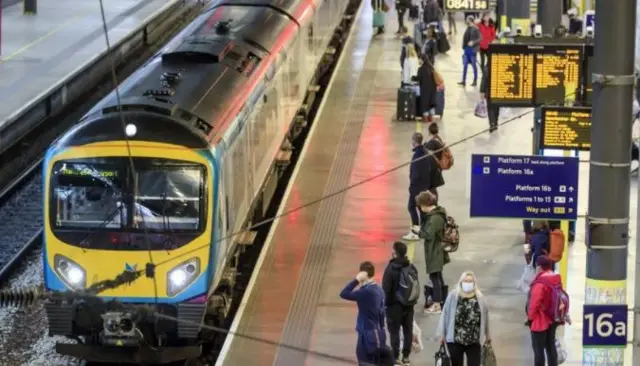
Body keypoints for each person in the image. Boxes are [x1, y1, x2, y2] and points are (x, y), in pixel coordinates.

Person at [340, 261, 390, 365]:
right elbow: (382, 314)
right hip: (376, 332)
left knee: (364, 361)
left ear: (363, 275)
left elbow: (344, 293)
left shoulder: (365, 292)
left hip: (365, 334)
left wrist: (356, 280)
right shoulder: (379, 290)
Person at [437, 271, 491, 366]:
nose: (468, 283)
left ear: (474, 283)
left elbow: (485, 317)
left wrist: (488, 335)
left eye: (470, 281)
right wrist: (442, 334)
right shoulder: (453, 297)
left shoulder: (481, 299)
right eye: (465, 281)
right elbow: (445, 315)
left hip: (474, 341)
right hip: (455, 341)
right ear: (461, 282)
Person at [382, 242, 420, 365]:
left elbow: (386, 289)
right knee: (407, 331)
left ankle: (395, 357)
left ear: (394, 253)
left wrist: (385, 305)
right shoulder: (411, 267)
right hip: (408, 305)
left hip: (394, 306)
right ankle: (406, 357)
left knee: (394, 332)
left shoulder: (391, 269)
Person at [416, 190, 447, 314]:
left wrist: (418, 232)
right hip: (435, 250)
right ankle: (442, 301)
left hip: (435, 251)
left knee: (435, 277)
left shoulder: (434, 218)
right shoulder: (436, 215)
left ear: (425, 204)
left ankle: (437, 304)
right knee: (437, 276)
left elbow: (429, 235)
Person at [527, 255, 562, 366]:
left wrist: (530, 318)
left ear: (539, 267)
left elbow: (534, 304)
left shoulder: (540, 283)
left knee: (539, 351)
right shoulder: (556, 279)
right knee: (551, 347)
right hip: (553, 319)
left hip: (540, 322)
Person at [402, 132, 433, 241]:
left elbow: (415, 174)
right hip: (424, 186)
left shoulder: (418, 155)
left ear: (414, 142)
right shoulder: (424, 151)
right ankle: (423, 228)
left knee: (411, 207)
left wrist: (412, 187)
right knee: (420, 208)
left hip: (417, 187)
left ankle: (415, 231)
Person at [459, 16, 481, 87]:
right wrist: (464, 46)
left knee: (474, 65)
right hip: (466, 50)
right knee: (465, 65)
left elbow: (480, 38)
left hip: (472, 50)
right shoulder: (467, 28)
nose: (466, 21)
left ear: (470, 20)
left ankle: (475, 80)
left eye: (467, 20)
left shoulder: (476, 29)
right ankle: (463, 81)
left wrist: (473, 42)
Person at [417, 55, 438, 122]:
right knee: (431, 102)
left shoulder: (421, 69)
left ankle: (425, 118)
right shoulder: (431, 67)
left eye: (420, 59)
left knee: (424, 102)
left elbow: (419, 79)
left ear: (422, 60)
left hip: (425, 88)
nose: (419, 61)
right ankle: (431, 117)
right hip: (433, 88)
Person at [479, 64, 499, 132]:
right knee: (496, 108)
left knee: (490, 108)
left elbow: (484, 79)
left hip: (489, 91)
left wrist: (482, 91)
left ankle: (491, 124)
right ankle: (495, 123)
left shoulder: (487, 67)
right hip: (498, 90)